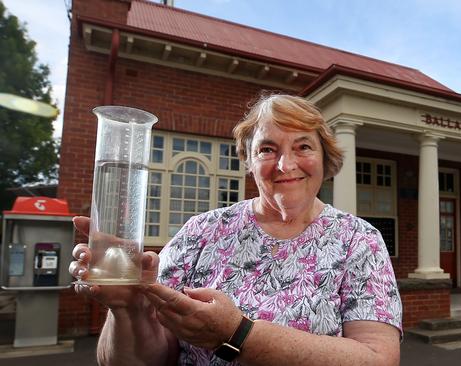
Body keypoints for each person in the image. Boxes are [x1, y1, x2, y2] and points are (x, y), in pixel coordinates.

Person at [69, 94, 402, 365]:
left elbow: (378, 358)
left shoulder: (359, 240)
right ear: (249, 161)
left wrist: (236, 333)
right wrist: (128, 310)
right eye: (267, 149)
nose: (285, 165)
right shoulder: (201, 231)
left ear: (325, 160)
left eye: (303, 146)